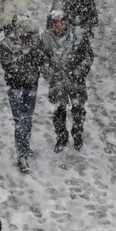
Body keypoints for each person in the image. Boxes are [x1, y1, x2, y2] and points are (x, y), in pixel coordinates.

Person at [0, 15, 49, 173]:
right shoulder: (7, 44)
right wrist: (27, 56)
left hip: (31, 85)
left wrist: (37, 56)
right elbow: (8, 66)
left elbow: (42, 60)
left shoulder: (35, 42)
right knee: (21, 120)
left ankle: (24, 147)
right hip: (16, 88)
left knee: (27, 119)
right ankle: (22, 154)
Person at [43, 10, 94, 152]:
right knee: (58, 111)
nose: (58, 26)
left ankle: (77, 135)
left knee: (78, 110)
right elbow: (42, 59)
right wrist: (51, 74)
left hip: (76, 80)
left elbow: (88, 56)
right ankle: (61, 137)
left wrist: (79, 72)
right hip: (57, 81)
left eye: (61, 23)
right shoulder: (46, 39)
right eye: (55, 23)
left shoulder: (78, 37)